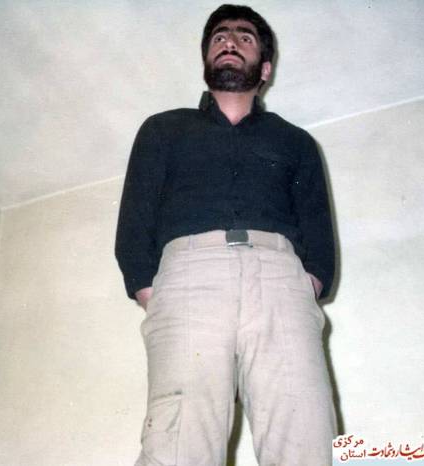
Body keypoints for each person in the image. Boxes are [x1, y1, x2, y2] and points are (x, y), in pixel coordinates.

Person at [115, 4, 337, 465]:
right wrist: (153, 291)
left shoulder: (296, 142)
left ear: (265, 68)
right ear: (206, 59)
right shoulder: (163, 129)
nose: (229, 41)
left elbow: (317, 227)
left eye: (244, 37)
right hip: (187, 279)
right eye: (219, 37)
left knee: (305, 433)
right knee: (179, 439)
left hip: (281, 280)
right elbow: (135, 219)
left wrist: (307, 283)